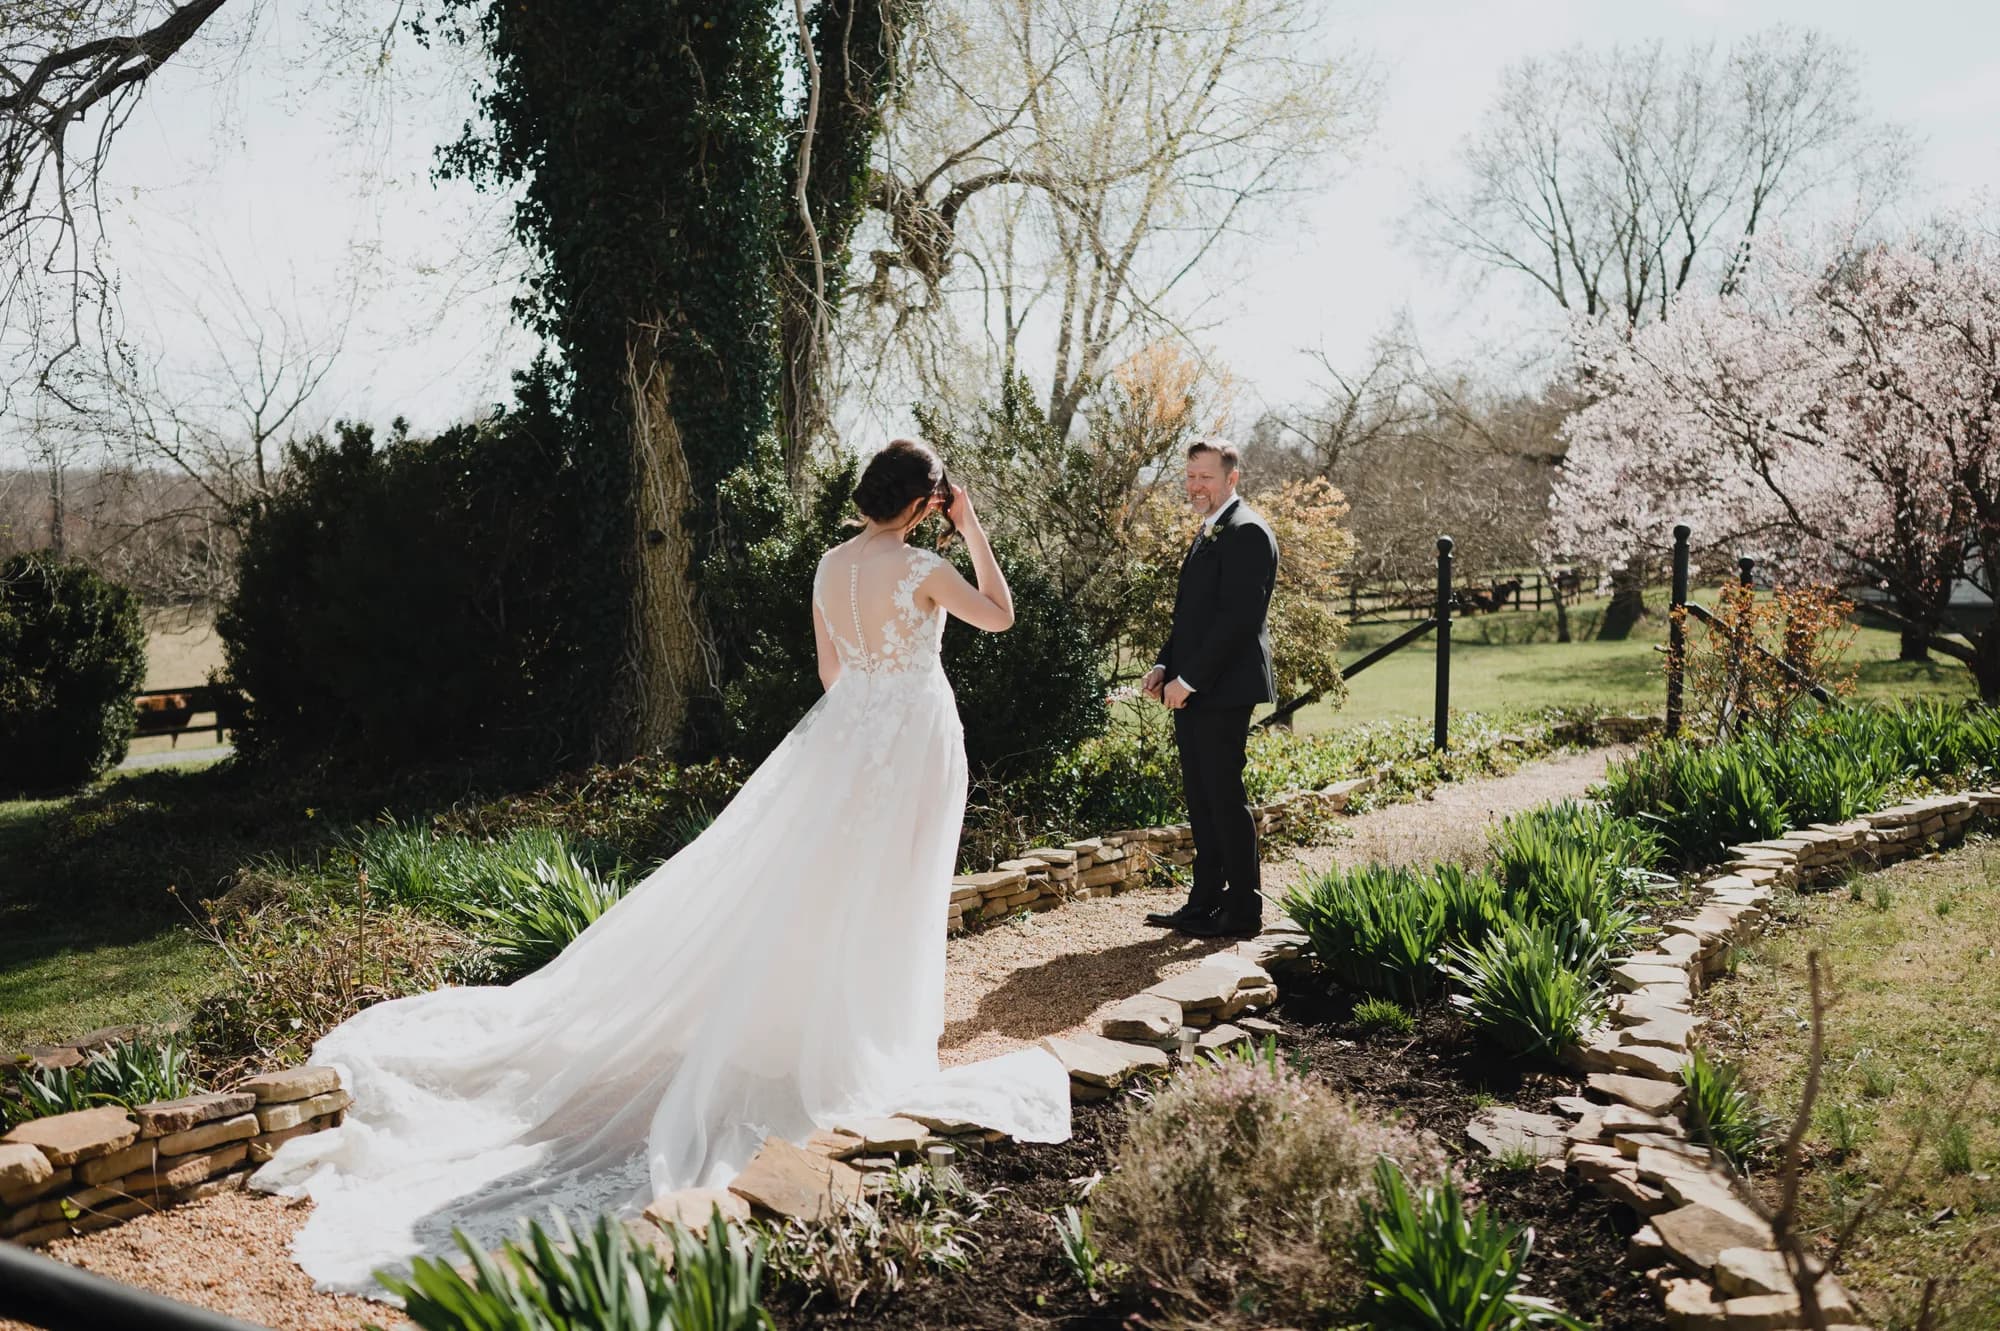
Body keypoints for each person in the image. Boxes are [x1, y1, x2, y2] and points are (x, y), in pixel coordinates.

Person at [249, 439, 1071, 1297]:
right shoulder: (928, 568)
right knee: (891, 901)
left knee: (820, 895)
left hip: (845, 744)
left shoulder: (829, 565)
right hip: (910, 746)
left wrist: (869, 709)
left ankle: (821, 1032)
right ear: (925, 503)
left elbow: (832, 673)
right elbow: (1002, 616)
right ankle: (861, 1042)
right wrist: (974, 530)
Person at [1138, 438, 1279, 940]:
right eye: (1191, 475)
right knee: (1201, 799)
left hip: (1224, 688)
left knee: (1224, 798)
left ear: (1231, 479)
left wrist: (1189, 680)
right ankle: (1203, 905)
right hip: (1194, 686)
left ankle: (1243, 912)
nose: (1196, 485)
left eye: (1206, 477)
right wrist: (1163, 664)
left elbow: (1237, 622)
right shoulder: (1209, 531)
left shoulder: (1248, 532)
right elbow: (1193, 618)